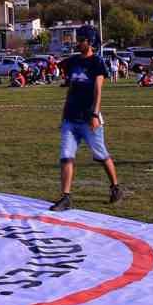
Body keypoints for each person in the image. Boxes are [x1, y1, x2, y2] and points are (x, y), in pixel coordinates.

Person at [50, 40, 123, 211]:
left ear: (89, 42)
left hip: (89, 119)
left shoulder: (96, 62)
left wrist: (95, 114)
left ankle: (115, 188)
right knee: (66, 156)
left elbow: (98, 89)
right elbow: (71, 87)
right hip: (70, 117)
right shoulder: (74, 60)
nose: (78, 42)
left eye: (81, 38)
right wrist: (64, 114)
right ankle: (65, 197)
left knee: (101, 155)